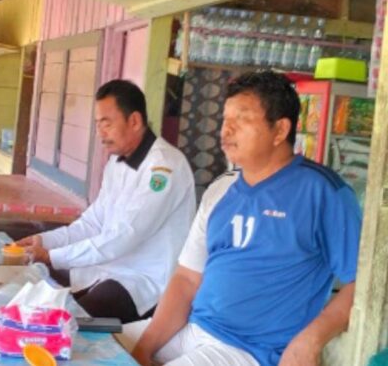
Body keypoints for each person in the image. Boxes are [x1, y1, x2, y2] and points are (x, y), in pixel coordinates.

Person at [125, 71, 362, 366]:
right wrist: (143, 349)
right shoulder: (222, 189)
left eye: (243, 119)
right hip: (193, 330)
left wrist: (310, 340)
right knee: (93, 347)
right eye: (225, 119)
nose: (227, 130)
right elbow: (187, 279)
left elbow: (361, 283)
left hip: (248, 350)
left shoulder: (323, 192)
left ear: (280, 130)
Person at [18, 79, 196, 323]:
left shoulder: (164, 167)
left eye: (107, 123)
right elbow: (92, 223)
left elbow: (124, 236)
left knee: (66, 321)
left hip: (146, 282)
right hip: (110, 269)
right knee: (37, 290)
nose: (100, 132)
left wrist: (51, 256)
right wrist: (43, 241)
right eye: (97, 124)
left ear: (134, 121)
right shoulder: (117, 162)